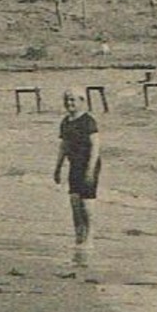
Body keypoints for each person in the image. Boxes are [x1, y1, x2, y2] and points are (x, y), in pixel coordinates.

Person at [53, 90, 101, 261]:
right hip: (74, 165)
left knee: (87, 204)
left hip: (88, 164)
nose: (69, 103)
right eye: (67, 100)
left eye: (73, 100)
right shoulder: (66, 121)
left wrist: (90, 169)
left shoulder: (88, 121)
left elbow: (95, 147)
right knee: (74, 202)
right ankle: (78, 238)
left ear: (82, 101)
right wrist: (57, 167)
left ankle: (90, 239)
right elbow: (64, 146)